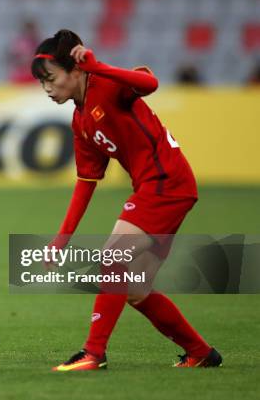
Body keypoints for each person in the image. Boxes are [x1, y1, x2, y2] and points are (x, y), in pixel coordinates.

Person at [31, 30, 222, 371]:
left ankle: (93, 353)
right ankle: (201, 353)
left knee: (112, 258)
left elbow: (149, 83)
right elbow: (86, 182)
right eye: (42, 82)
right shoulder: (80, 119)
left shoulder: (106, 85)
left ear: (75, 70)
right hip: (161, 187)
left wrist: (98, 66)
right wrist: (61, 240)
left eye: (51, 79)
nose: (47, 88)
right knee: (134, 288)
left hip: (166, 182)